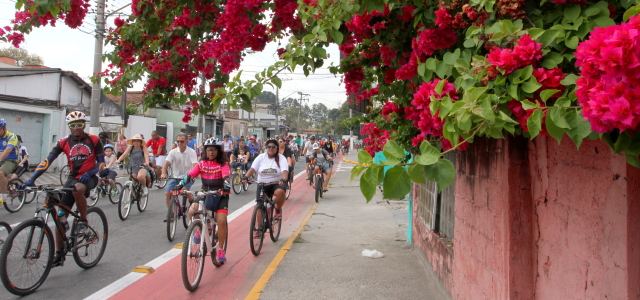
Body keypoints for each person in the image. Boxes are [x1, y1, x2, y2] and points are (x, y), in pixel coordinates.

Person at [22, 111, 104, 266]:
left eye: (79, 124)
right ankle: (59, 254)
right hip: (72, 178)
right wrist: (32, 179)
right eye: (73, 125)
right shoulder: (63, 142)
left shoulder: (93, 139)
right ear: (69, 127)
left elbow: (101, 163)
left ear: (84, 125)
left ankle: (83, 221)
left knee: (77, 188)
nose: (76, 128)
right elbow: (47, 161)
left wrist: (91, 172)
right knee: (59, 215)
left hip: (90, 176)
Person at [175, 138, 230, 263]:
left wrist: (226, 186)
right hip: (205, 193)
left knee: (221, 221)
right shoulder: (202, 164)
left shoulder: (223, 164)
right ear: (205, 150)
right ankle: (199, 229)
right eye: (209, 149)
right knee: (191, 211)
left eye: (214, 150)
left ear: (219, 151)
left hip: (220, 194)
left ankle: (221, 249)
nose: (211, 152)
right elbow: (190, 175)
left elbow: (226, 175)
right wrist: (179, 185)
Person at [242, 139, 289, 223]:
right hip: (262, 184)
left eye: (273, 147)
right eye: (268, 147)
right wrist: (246, 177)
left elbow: (284, 170)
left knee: (281, 192)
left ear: (277, 148)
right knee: (259, 206)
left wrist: (284, 179)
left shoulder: (281, 158)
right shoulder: (261, 157)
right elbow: (253, 169)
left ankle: (278, 209)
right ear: (266, 148)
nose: (271, 149)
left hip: (276, 183)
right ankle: (259, 230)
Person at [161, 133, 198, 220]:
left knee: (184, 191)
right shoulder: (173, 152)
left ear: (186, 142)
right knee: (167, 194)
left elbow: (195, 165)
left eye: (182, 141)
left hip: (188, 178)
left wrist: (192, 175)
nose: (179, 143)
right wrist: (163, 173)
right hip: (176, 177)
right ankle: (171, 213)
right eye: (178, 141)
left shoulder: (191, 152)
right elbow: (166, 163)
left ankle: (192, 201)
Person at [0, 119, 20, 205]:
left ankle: (3, 196)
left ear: (4, 128)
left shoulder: (12, 136)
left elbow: (8, 149)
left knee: (1, 173)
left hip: (11, 160)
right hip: (1, 160)